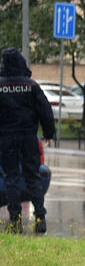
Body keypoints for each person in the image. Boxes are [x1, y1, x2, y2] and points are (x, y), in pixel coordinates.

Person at [0, 47, 54, 234]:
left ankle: (15, 221)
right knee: (33, 177)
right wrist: (49, 133)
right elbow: (45, 110)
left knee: (11, 179)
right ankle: (40, 218)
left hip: (6, 139)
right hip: (28, 138)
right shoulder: (31, 85)